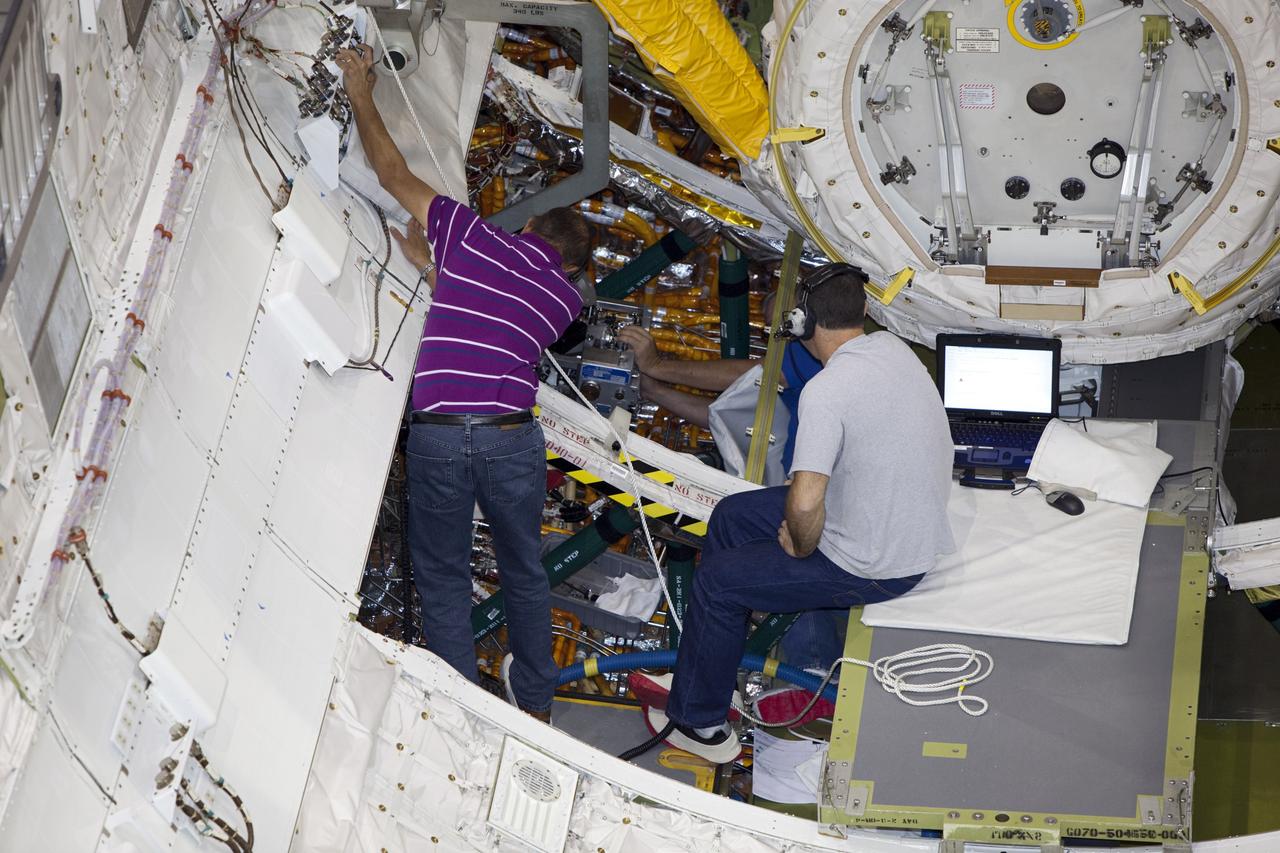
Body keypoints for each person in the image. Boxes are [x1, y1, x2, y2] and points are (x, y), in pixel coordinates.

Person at [338, 44, 590, 723]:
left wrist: (361, 90)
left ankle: (460, 711)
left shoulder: (473, 235)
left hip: (445, 437)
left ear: (533, 226)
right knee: (524, 573)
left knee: (445, 577)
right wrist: (437, 272)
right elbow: (504, 315)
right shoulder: (561, 303)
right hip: (512, 440)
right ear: (569, 266)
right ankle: (534, 698)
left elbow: (392, 174)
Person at [646, 264, 956, 763]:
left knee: (719, 582)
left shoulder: (827, 391)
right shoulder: (891, 350)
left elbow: (807, 500)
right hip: (896, 523)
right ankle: (713, 669)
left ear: (801, 323)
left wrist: (800, 544)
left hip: (878, 564)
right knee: (731, 515)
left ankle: (699, 723)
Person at [618, 298, 844, 679]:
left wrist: (659, 365)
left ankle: (812, 674)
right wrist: (654, 391)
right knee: (751, 541)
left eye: (784, 324)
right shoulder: (812, 361)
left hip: (823, 499)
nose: (778, 336)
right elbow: (725, 419)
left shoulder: (820, 361)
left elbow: (754, 373)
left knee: (782, 556)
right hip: (806, 489)